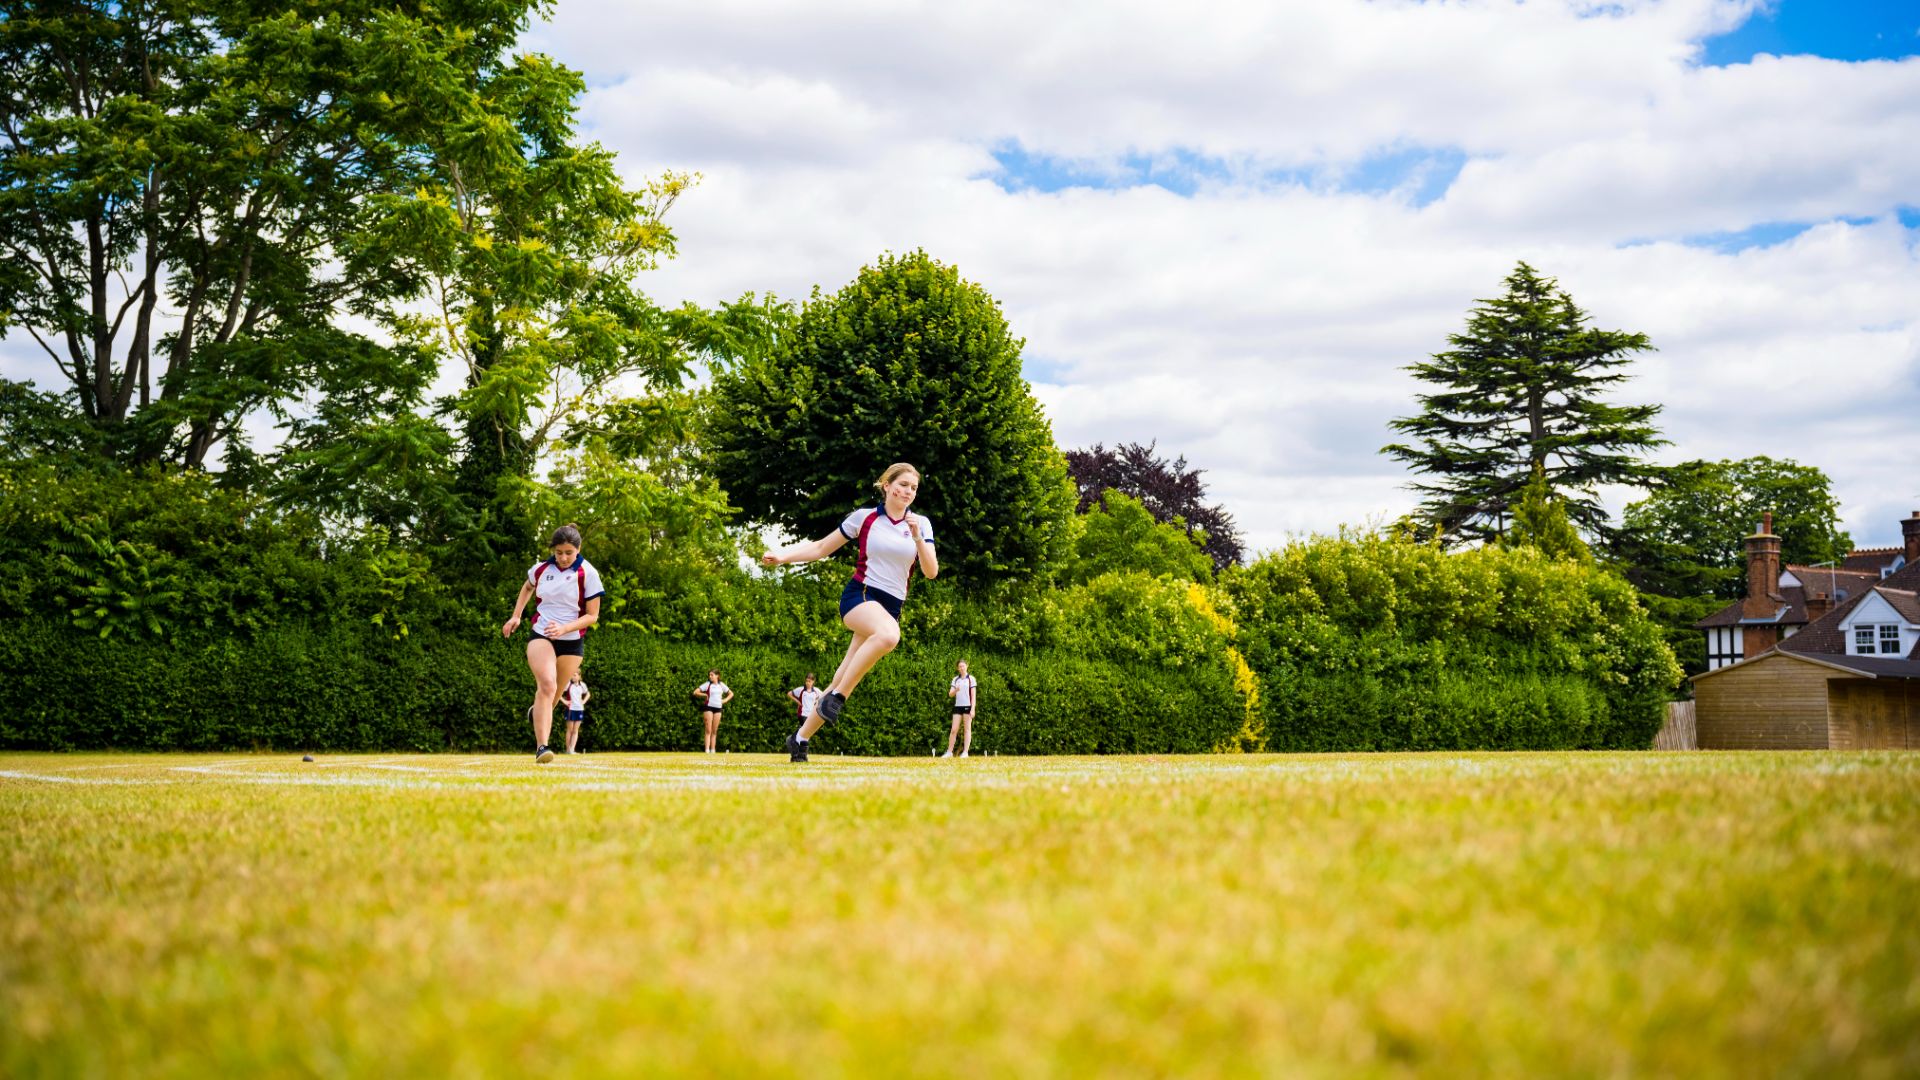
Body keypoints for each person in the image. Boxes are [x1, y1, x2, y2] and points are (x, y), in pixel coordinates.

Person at [762, 462, 938, 762]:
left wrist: (918, 537)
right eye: (903, 484)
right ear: (887, 485)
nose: (908, 491)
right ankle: (839, 697)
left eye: (914, 487)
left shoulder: (921, 523)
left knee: (839, 677)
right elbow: (820, 548)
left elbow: (931, 572)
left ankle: (800, 739)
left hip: (890, 608)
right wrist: (783, 556)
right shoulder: (865, 517)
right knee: (888, 636)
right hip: (861, 597)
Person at [502, 524, 604, 764]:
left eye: (569, 552)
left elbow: (592, 616)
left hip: (572, 640)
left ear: (578, 549)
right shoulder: (541, 569)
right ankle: (542, 748)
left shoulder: (588, 573)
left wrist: (565, 628)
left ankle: (536, 711)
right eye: (559, 552)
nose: (564, 557)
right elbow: (527, 587)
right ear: (553, 550)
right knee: (546, 686)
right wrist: (516, 615)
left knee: (554, 697)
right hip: (542, 634)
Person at [692, 669, 733, 753]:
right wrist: (705, 694)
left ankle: (713, 750)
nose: (710, 676)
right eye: (709, 675)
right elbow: (695, 692)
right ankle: (707, 750)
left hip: (718, 708)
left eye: (712, 675)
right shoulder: (707, 684)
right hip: (708, 707)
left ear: (717, 675)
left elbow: (731, 693)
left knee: (714, 731)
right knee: (708, 730)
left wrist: (725, 700)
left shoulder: (721, 685)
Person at [944, 659, 979, 758]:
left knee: (967, 729)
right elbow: (950, 694)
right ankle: (949, 752)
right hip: (958, 707)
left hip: (968, 706)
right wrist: (956, 689)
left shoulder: (971, 679)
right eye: (960, 667)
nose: (961, 668)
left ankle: (965, 752)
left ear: (967, 666)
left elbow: (973, 696)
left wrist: (972, 709)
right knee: (954, 729)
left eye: (963, 666)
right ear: (957, 668)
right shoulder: (955, 679)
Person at [562, 673, 591, 755]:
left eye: (574, 675)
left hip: (579, 709)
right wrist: (565, 701)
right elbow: (558, 692)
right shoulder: (568, 684)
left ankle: (572, 749)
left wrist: (584, 701)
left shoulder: (582, 685)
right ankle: (568, 750)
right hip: (570, 709)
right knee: (570, 730)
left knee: (575, 730)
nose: (572, 677)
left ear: (579, 676)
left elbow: (588, 694)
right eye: (571, 675)